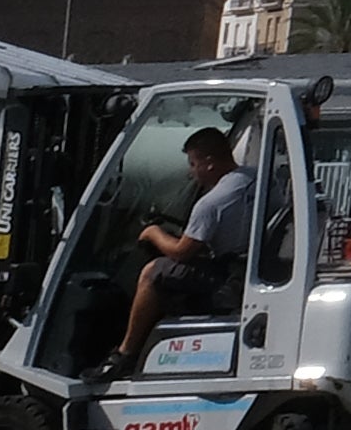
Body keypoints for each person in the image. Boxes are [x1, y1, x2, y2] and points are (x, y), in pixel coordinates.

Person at [102, 121, 257, 376]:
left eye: (193, 164)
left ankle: (125, 354)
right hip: (245, 266)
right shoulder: (255, 180)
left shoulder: (211, 203)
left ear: (209, 162)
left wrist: (153, 233)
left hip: (229, 279)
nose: (190, 172)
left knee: (154, 272)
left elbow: (181, 252)